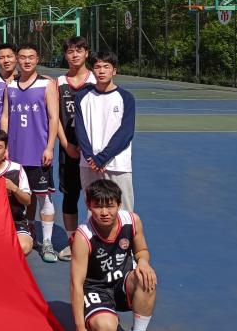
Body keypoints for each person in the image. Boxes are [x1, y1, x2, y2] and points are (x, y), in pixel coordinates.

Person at [70, 179, 156, 331]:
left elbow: (141, 251)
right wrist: (80, 327)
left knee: (146, 278)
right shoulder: (83, 237)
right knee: (106, 326)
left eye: (110, 206)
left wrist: (143, 262)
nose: (104, 213)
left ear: (119, 205)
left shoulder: (132, 221)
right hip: (96, 289)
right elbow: (76, 283)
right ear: (88, 205)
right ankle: (101, 315)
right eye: (98, 206)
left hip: (123, 282)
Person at [4, 43, 61, 262]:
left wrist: (49, 147)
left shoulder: (46, 85)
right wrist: (6, 145)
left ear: (37, 59)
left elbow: (54, 118)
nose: (27, 61)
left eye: (31, 57)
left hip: (38, 152)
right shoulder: (11, 85)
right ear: (17, 60)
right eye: (23, 57)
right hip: (16, 153)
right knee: (19, 196)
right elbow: (6, 116)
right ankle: (27, 231)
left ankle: (47, 242)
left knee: (44, 196)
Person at [74, 51, 137, 212]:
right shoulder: (82, 97)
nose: (101, 71)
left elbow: (126, 133)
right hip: (89, 164)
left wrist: (101, 158)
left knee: (123, 211)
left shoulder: (126, 98)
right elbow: (80, 130)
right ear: (92, 70)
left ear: (114, 71)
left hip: (117, 164)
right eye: (97, 67)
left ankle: (124, 232)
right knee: (93, 209)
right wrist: (91, 158)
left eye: (106, 67)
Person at [56, 36, 97, 261]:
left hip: (93, 152)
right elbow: (54, 118)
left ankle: (94, 241)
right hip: (69, 149)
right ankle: (72, 241)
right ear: (65, 55)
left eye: (79, 50)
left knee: (95, 196)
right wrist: (66, 144)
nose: (74, 55)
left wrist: (92, 148)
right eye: (70, 51)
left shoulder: (96, 80)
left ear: (86, 53)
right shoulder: (59, 82)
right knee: (70, 196)